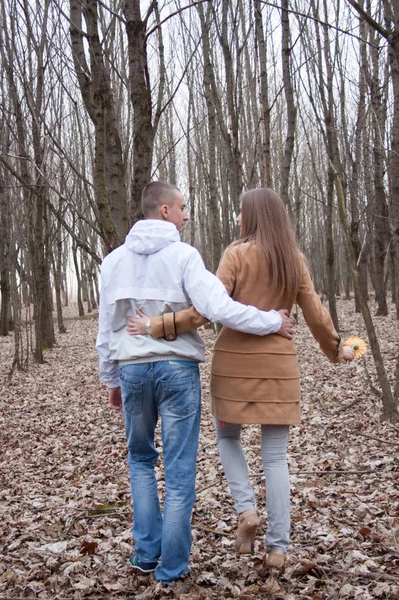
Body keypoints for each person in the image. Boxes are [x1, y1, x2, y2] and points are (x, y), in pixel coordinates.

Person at [127, 187, 354, 572]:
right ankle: (279, 547)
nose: (236, 218)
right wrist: (337, 348)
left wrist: (157, 326)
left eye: (240, 212)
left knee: (228, 438)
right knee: (276, 456)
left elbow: (204, 311)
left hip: (232, 368)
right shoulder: (292, 260)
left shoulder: (235, 254)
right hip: (279, 370)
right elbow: (314, 312)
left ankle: (246, 509)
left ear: (254, 216)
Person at [95, 181, 296, 584]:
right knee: (180, 468)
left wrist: (111, 378)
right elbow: (219, 309)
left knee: (139, 461)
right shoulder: (185, 256)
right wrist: (273, 320)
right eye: (183, 207)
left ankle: (146, 555)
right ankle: (172, 568)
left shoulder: (113, 261)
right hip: (176, 371)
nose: (187, 215)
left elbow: (107, 328)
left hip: (132, 370)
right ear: (165, 211)